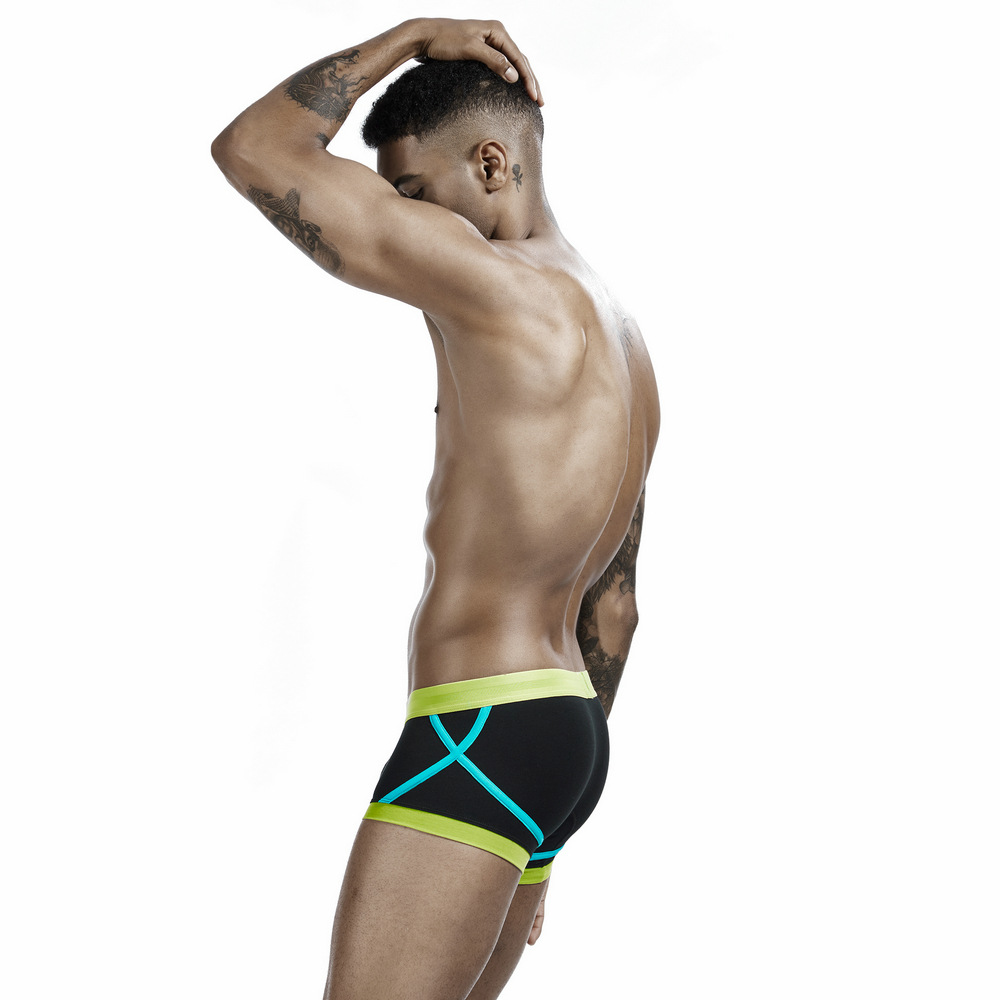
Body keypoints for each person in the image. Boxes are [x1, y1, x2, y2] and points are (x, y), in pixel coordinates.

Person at [212, 17, 659, 999]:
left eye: (413, 192)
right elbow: (617, 607)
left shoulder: (494, 284)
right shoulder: (628, 347)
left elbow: (254, 150)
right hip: (567, 738)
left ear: (491, 163)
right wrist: (543, 826)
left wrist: (414, 35)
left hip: (479, 728)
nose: (402, 215)